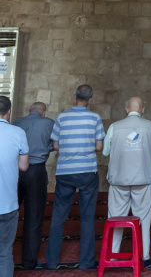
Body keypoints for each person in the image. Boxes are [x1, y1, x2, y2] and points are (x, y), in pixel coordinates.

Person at [45, 85, 105, 270]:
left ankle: (52, 261)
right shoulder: (95, 118)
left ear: (74, 96)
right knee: (87, 218)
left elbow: (55, 146)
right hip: (87, 171)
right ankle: (86, 262)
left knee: (58, 217)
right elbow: (99, 147)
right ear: (90, 99)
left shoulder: (62, 117)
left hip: (65, 171)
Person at [103, 96, 151, 267]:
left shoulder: (114, 127)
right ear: (143, 110)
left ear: (126, 109)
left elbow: (105, 152)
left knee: (115, 218)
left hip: (118, 181)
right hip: (142, 180)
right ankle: (144, 256)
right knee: (144, 219)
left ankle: (112, 256)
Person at [13, 102, 54, 269]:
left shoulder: (17, 122)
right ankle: (29, 262)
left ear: (29, 111)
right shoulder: (49, 123)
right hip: (36, 171)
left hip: (15, 171)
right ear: (43, 113)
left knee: (8, 213)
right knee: (34, 217)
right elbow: (54, 145)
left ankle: (5, 257)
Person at [0, 95, 29, 277]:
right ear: (9, 112)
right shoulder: (18, 132)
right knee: (4, 253)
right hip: (8, 204)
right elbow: (23, 166)